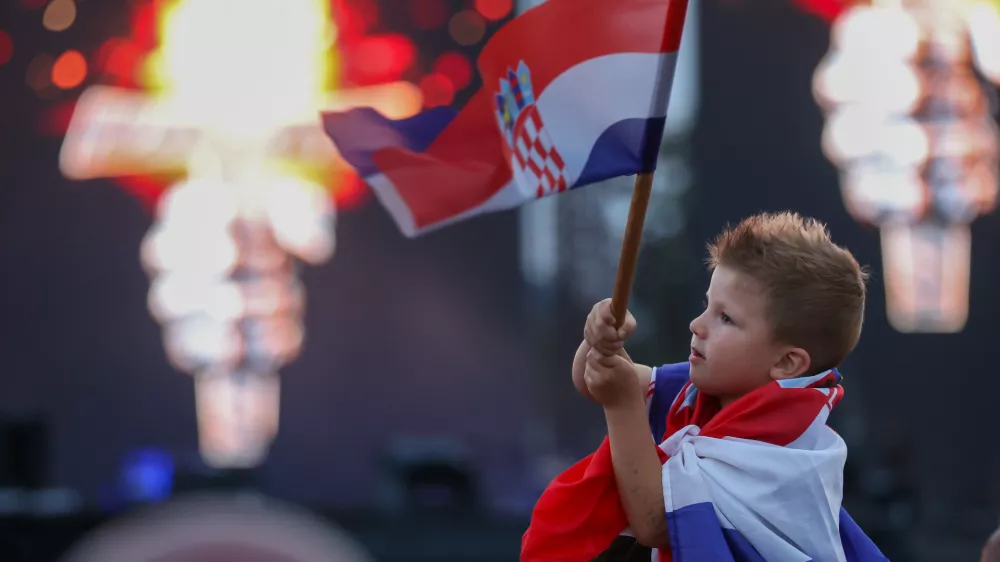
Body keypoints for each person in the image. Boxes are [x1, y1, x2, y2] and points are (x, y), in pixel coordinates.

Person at [521, 212, 887, 561]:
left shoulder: (786, 447)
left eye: (725, 318)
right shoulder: (708, 387)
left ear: (786, 363)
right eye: (707, 306)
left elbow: (658, 522)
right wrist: (599, 338)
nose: (698, 324)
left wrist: (622, 406)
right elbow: (597, 380)